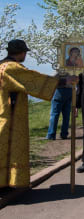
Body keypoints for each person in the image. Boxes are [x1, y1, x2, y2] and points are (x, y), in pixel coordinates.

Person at [0, 40, 76, 189]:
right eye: (25, 53)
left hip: (3, 113)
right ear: (21, 53)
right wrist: (65, 80)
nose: (25, 56)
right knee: (9, 148)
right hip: (9, 116)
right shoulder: (11, 68)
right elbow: (36, 81)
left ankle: (4, 183)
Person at [45, 74, 72, 140]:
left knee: (54, 114)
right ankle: (64, 134)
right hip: (70, 90)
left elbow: (52, 79)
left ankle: (51, 135)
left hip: (59, 90)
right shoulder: (72, 69)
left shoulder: (60, 69)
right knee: (66, 115)